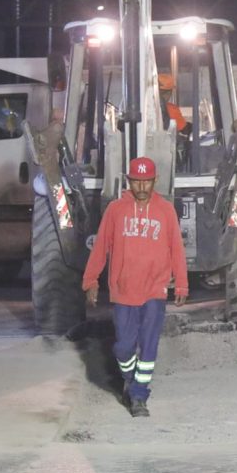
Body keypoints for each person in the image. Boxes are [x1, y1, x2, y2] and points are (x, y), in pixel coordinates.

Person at [82, 156, 188, 418]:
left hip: (155, 288)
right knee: (123, 346)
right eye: (136, 182)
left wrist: (182, 284)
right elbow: (101, 248)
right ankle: (130, 377)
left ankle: (140, 396)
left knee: (149, 345)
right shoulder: (116, 210)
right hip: (123, 289)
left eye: (147, 182)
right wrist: (90, 280)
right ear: (128, 181)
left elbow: (176, 249)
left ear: (155, 181)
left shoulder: (165, 211)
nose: (141, 187)